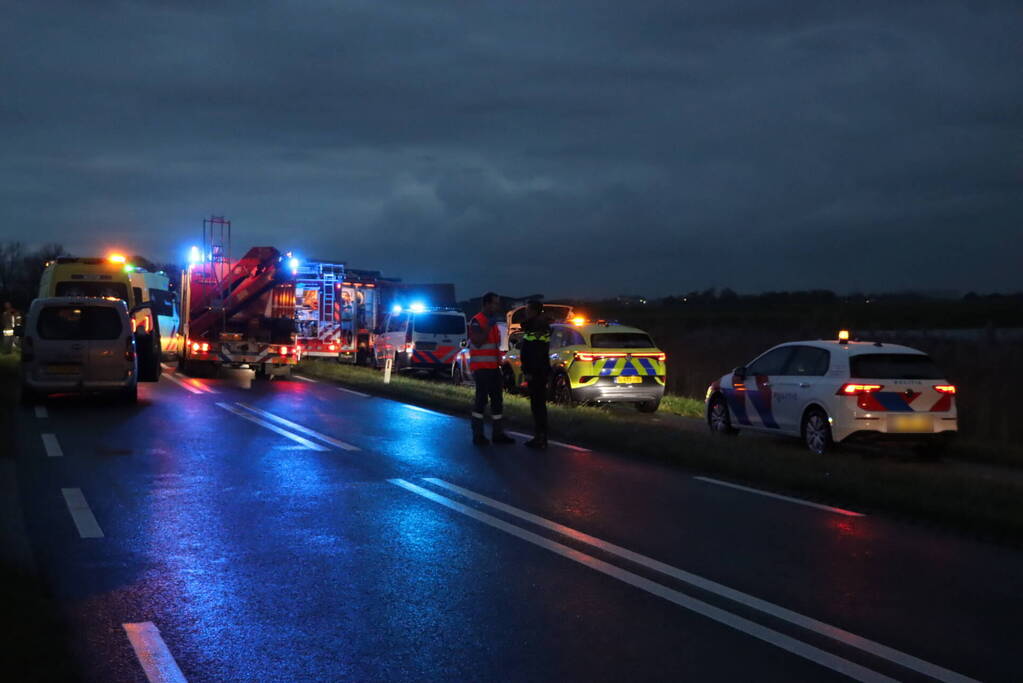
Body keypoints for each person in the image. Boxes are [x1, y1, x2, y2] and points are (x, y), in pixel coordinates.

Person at [468, 292, 514, 446]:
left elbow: (494, 346)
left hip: (493, 368)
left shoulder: (493, 323)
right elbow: (478, 341)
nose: (497, 306)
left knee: (497, 402)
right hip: (481, 368)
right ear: (487, 304)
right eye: (495, 303)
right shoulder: (477, 321)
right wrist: (488, 326)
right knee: (481, 401)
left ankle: (498, 434)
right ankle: (478, 435)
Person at [519, 300, 551, 449]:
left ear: (533, 311)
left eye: (527, 310)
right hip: (540, 370)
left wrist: (529, 371)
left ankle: (540, 438)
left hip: (536, 371)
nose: (525, 312)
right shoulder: (540, 326)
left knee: (537, 405)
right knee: (539, 405)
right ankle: (540, 437)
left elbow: (533, 352)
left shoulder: (535, 326)